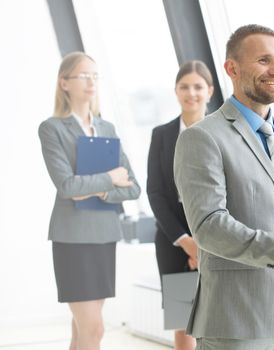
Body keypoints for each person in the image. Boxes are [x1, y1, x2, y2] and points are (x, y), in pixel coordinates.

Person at [174, 24, 274, 350]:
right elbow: (209, 226)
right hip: (238, 319)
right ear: (231, 68)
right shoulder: (202, 138)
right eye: (263, 60)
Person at [38, 52, 141, 350]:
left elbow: (133, 188)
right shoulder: (52, 128)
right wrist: (110, 178)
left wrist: (98, 190)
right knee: (93, 328)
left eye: (95, 76)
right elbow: (68, 187)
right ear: (64, 83)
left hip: (104, 235)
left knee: (82, 330)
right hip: (73, 239)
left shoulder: (106, 128)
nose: (91, 81)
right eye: (83, 75)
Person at [147, 60, 214, 350]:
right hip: (172, 239)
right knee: (183, 322)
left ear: (209, 91)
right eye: (184, 86)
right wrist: (186, 242)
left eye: (198, 86)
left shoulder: (221, 132)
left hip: (216, 238)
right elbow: (155, 193)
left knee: (217, 321)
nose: (191, 93)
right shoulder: (162, 135)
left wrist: (203, 243)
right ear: (175, 91)